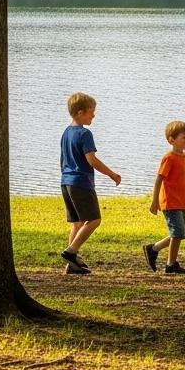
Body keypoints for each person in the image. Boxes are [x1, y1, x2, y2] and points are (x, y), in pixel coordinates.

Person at [60, 92, 121, 274]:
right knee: (94, 220)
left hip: (66, 182)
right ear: (80, 113)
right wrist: (111, 174)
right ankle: (71, 253)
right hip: (81, 183)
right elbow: (91, 160)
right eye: (91, 112)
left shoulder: (66, 132)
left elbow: (62, 159)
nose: (93, 115)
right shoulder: (84, 133)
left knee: (78, 223)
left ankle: (72, 265)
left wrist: (65, 177)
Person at [143, 120, 185, 274]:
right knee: (177, 233)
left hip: (181, 201)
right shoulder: (169, 158)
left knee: (182, 233)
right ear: (171, 140)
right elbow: (159, 178)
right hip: (170, 201)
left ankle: (153, 249)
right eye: (184, 138)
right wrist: (154, 201)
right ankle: (171, 264)